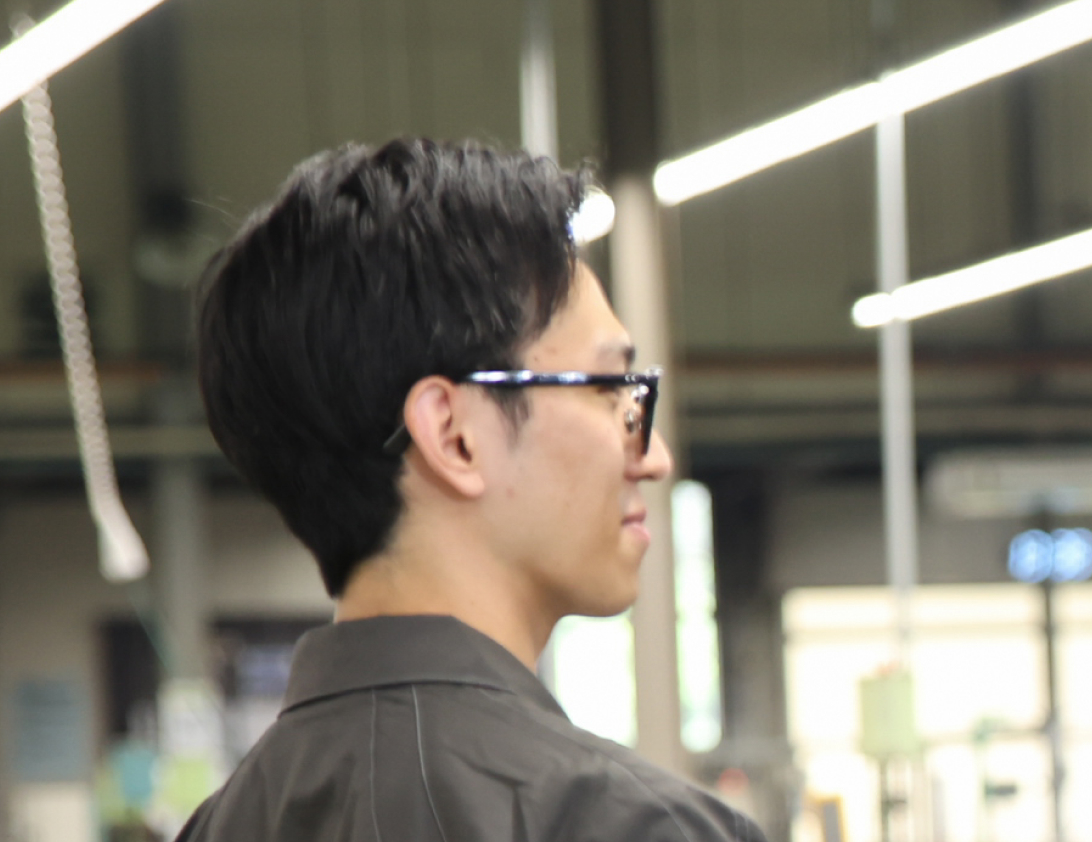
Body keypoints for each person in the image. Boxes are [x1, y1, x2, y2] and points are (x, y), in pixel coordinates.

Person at [175, 139, 760, 842]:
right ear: (453, 435)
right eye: (610, 391)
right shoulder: (636, 825)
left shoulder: (212, 828)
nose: (655, 457)